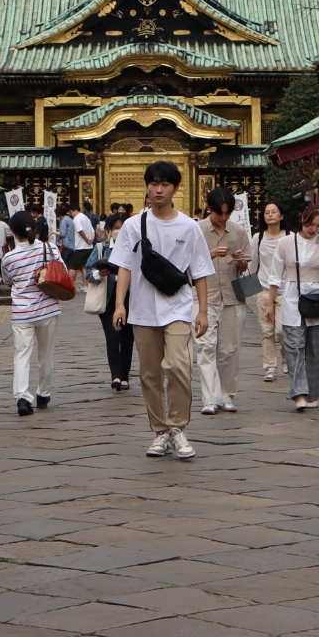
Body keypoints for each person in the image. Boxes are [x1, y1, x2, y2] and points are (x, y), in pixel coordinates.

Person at [109, 162, 215, 458]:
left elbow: (201, 270)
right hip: (143, 309)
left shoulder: (189, 227)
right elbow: (124, 266)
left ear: (175, 188)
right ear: (147, 186)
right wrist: (120, 304)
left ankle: (179, 428)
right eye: (153, 183)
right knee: (149, 374)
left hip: (178, 306)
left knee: (179, 366)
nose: (158, 189)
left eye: (165, 184)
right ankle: (160, 431)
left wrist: (202, 310)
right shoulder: (133, 225)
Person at [265, 205, 319, 411]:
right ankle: (299, 391)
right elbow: (275, 275)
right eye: (311, 224)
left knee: (316, 348)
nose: (314, 229)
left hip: (318, 297)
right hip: (292, 296)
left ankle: (314, 391)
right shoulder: (285, 243)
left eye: (318, 225)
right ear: (302, 219)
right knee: (293, 346)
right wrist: (269, 303)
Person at [195, 187, 250, 415]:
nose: (224, 217)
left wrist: (239, 261)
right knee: (205, 346)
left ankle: (227, 394)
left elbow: (246, 266)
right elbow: (188, 263)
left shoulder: (238, 231)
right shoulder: (197, 231)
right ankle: (210, 398)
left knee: (228, 349)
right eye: (220, 213)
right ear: (210, 209)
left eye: (228, 213)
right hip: (204, 298)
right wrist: (210, 254)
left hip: (232, 297)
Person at [1, 212, 55, 416]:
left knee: (21, 354)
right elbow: (62, 270)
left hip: (22, 312)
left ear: (13, 232)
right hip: (47, 308)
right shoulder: (48, 248)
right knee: (46, 354)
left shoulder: (9, 258)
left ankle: (22, 397)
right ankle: (43, 392)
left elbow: (7, 281)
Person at [98, 211, 134, 390]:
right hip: (109, 299)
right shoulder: (102, 248)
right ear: (109, 231)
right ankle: (116, 375)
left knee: (127, 338)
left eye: (122, 228)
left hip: (130, 298)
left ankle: (125, 375)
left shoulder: (135, 247)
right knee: (112, 338)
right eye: (116, 228)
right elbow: (90, 271)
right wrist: (99, 273)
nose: (119, 231)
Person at [255, 201, 290, 381]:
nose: (270, 215)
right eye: (267, 212)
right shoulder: (258, 238)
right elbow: (252, 264)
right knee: (266, 331)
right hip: (263, 289)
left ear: (281, 215)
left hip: (285, 289)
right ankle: (270, 366)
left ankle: (286, 356)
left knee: (281, 330)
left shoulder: (289, 237)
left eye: (274, 212)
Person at [59, 201, 95, 273]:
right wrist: (91, 239)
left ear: (75, 210)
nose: (71, 215)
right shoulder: (86, 218)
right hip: (89, 247)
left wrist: (87, 240)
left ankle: (69, 284)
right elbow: (93, 231)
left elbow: (80, 230)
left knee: (72, 267)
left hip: (80, 247)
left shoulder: (76, 218)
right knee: (83, 266)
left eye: (71, 212)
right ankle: (85, 284)